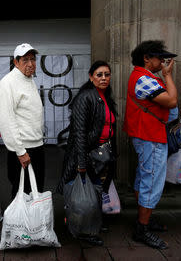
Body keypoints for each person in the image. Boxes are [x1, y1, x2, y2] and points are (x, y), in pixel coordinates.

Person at [123, 40, 178, 250]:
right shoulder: (143, 78)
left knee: (144, 177)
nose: (163, 61)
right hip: (150, 136)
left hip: (147, 134)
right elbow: (171, 101)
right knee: (152, 180)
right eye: (159, 57)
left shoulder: (142, 76)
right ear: (147, 58)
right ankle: (142, 228)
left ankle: (144, 219)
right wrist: (168, 75)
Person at [56, 60, 118, 246]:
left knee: (97, 191)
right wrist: (81, 162)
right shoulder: (86, 97)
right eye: (99, 74)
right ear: (91, 77)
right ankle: (84, 231)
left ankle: (94, 223)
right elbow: (80, 134)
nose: (104, 78)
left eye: (107, 74)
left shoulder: (105, 97)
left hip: (102, 155)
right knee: (86, 193)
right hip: (88, 155)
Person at [0, 43, 45, 198]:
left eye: (33, 59)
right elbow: (6, 120)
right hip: (23, 149)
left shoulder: (29, 79)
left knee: (36, 192)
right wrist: (20, 151)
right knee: (22, 194)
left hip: (36, 145)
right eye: (25, 60)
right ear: (15, 62)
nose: (30, 64)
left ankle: (35, 223)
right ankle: (21, 223)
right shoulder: (8, 83)